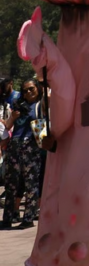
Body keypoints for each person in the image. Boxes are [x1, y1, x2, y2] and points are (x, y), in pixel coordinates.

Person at [1, 79, 43, 228]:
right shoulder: (18, 106)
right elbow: (7, 126)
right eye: (25, 90)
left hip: (31, 146)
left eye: (31, 89)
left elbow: (42, 131)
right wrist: (13, 116)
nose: (28, 92)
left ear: (37, 89)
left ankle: (28, 218)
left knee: (31, 184)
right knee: (11, 184)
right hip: (15, 145)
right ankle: (8, 217)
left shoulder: (40, 105)